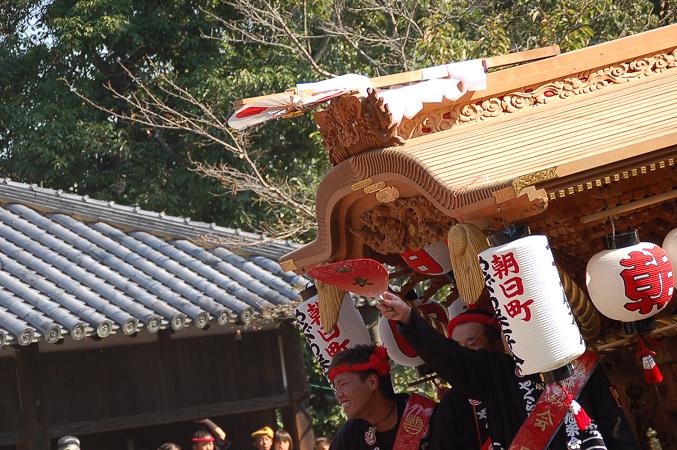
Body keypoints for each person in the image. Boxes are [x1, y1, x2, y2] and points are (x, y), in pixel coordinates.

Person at [378, 292, 638, 450]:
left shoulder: (582, 368)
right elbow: (450, 358)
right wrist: (410, 321)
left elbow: (617, 432)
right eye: (510, 326)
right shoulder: (496, 372)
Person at [328, 344, 437, 450]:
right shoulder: (348, 437)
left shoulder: (426, 415)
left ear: (372, 382)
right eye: (336, 388)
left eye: (342, 384)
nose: (338, 395)